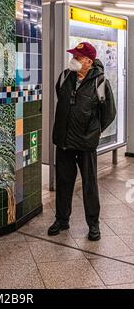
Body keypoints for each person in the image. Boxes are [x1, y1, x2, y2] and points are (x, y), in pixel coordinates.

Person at [48, 41, 116, 241]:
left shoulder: (100, 82)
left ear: (89, 61)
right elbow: (61, 99)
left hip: (86, 144)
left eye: (77, 57)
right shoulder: (65, 77)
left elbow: (108, 113)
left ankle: (93, 225)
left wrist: (93, 132)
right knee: (63, 182)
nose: (73, 60)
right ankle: (61, 219)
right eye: (73, 56)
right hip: (63, 141)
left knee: (89, 185)